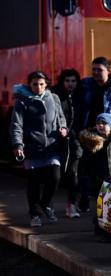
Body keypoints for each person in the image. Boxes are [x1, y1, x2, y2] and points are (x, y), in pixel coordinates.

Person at [10, 71, 67, 227]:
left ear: (46, 84)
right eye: (34, 84)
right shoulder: (22, 102)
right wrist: (18, 145)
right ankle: (34, 214)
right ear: (29, 85)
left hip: (52, 146)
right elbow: (16, 125)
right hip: (32, 147)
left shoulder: (53, 98)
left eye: (41, 84)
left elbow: (61, 117)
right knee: (34, 182)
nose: (38, 87)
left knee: (55, 177)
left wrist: (63, 128)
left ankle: (46, 204)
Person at [51, 69, 83, 218]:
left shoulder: (80, 96)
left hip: (75, 140)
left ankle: (71, 206)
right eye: (67, 81)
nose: (70, 84)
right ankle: (47, 204)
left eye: (73, 81)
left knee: (73, 173)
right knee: (54, 174)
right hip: (57, 140)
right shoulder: (54, 96)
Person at [78, 113, 111, 215]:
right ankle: (99, 223)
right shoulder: (92, 141)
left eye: (104, 123)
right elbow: (86, 163)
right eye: (98, 123)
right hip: (97, 178)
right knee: (101, 204)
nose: (100, 125)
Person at [78, 56, 111, 130]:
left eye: (99, 70)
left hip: (108, 128)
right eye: (93, 69)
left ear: (108, 71)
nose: (95, 72)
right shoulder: (84, 84)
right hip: (87, 127)